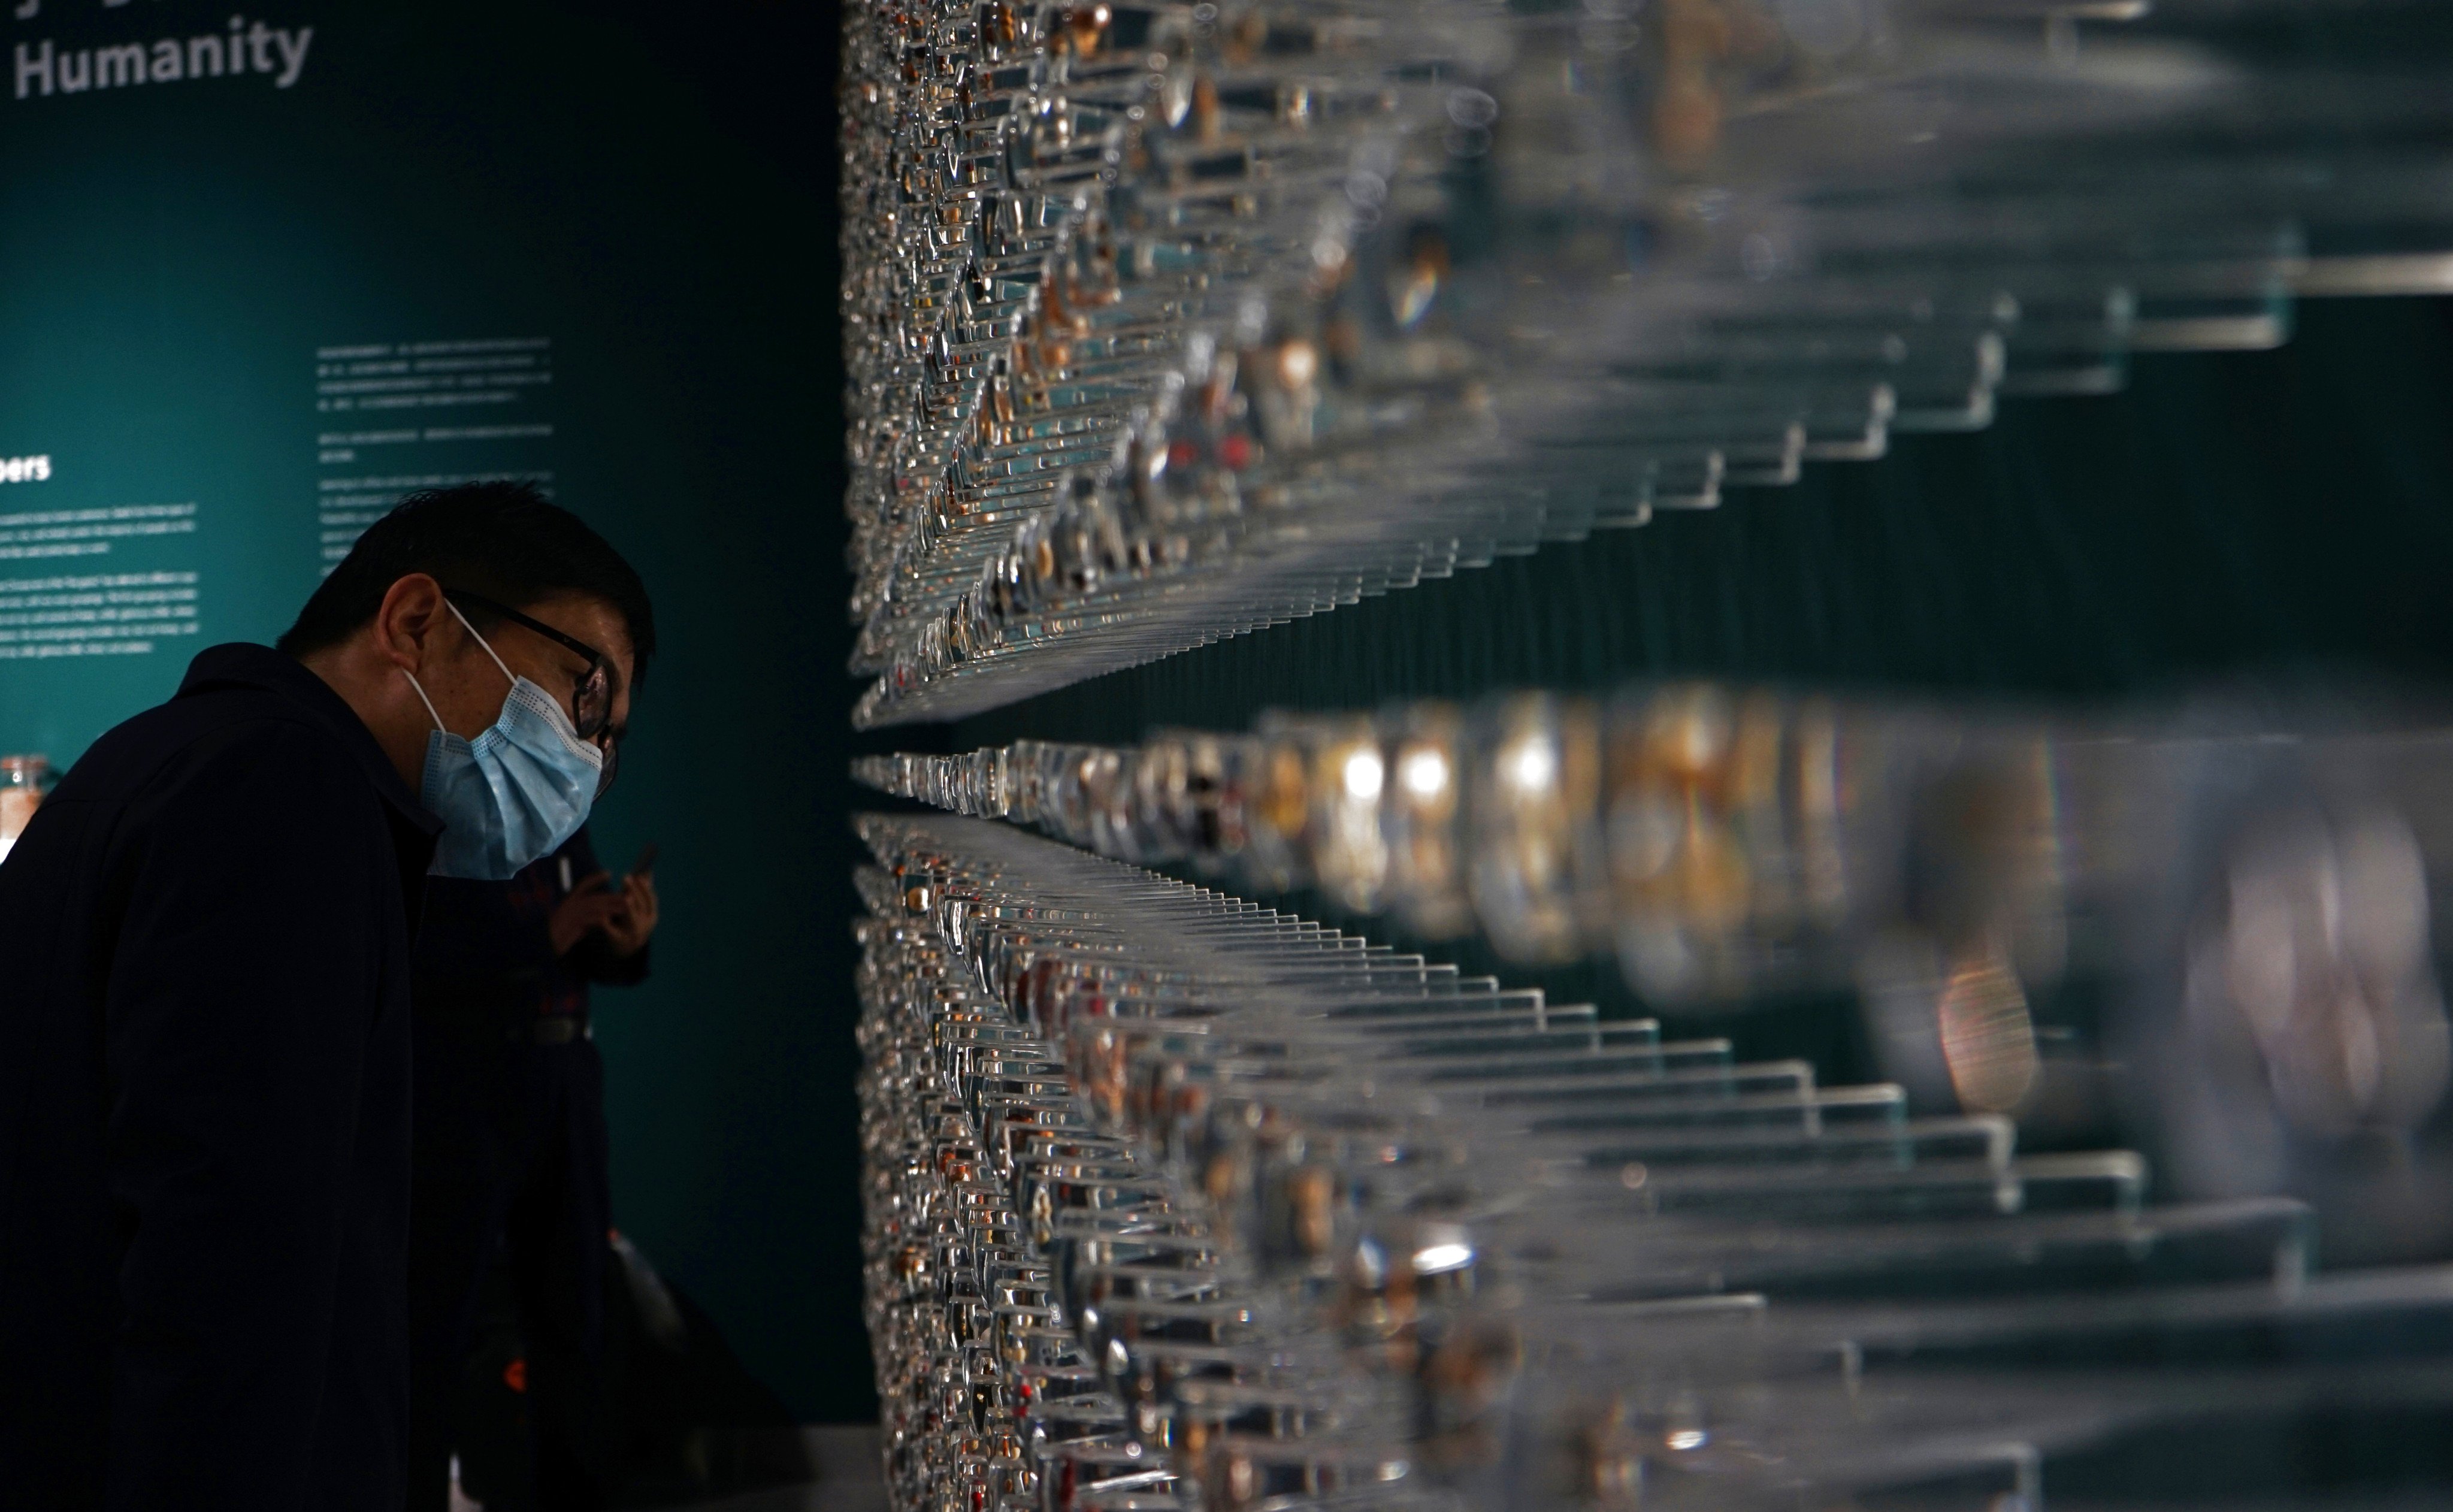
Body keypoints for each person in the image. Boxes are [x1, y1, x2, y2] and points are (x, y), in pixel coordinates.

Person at [0, 482, 652, 1510]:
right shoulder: (284, 788)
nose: (584, 762)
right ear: (417, 620)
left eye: (606, 744)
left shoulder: (196, 755)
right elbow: (226, 1272)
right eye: (583, 699)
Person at [410, 824, 660, 1510]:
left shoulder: (562, 819)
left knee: (574, 1310)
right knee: (435, 1322)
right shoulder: (440, 816)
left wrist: (624, 937)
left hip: (565, 1079)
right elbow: (417, 957)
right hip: (470, 1086)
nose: (595, 745)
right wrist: (542, 939)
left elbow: (587, 947)